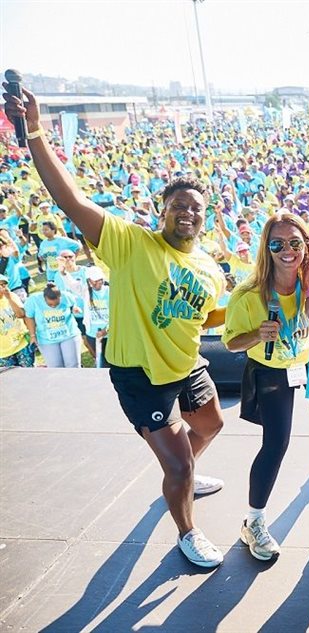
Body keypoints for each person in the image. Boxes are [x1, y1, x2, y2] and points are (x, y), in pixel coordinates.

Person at [4, 83, 229, 568]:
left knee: (212, 425)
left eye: (196, 207)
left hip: (187, 366)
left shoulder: (209, 268)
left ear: (204, 217)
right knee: (178, 465)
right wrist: (36, 132)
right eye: (179, 205)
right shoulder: (131, 244)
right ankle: (187, 531)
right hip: (140, 376)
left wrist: (241, 314)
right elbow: (70, 200)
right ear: (162, 211)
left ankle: (184, 476)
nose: (188, 212)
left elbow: (205, 316)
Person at [224, 212, 309, 561]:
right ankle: (253, 521)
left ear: (306, 246)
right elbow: (230, 343)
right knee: (276, 443)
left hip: (307, 361)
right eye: (277, 244)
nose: (287, 251)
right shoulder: (247, 295)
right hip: (270, 370)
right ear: (265, 248)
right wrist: (256, 334)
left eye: (295, 243)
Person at [23, 282, 82, 367]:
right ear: (44, 298)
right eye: (50, 304)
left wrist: (75, 309)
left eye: (57, 304)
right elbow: (29, 317)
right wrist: (32, 335)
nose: (53, 306)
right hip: (46, 340)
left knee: (73, 365)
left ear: (60, 297)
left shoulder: (67, 296)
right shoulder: (33, 300)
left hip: (69, 335)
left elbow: (73, 306)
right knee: (55, 367)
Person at [0, 274, 33, 367]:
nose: (2, 287)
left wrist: (9, 299)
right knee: (10, 375)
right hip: (3, 351)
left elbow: (21, 315)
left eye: (4, 284)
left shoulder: (12, 296)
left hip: (21, 344)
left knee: (30, 373)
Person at [80, 266, 110, 367]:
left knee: (111, 362)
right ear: (89, 281)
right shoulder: (86, 292)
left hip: (109, 334)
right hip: (92, 334)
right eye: (95, 280)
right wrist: (64, 273)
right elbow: (73, 285)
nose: (98, 283)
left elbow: (116, 315)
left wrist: (106, 330)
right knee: (101, 361)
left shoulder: (110, 291)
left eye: (100, 280)